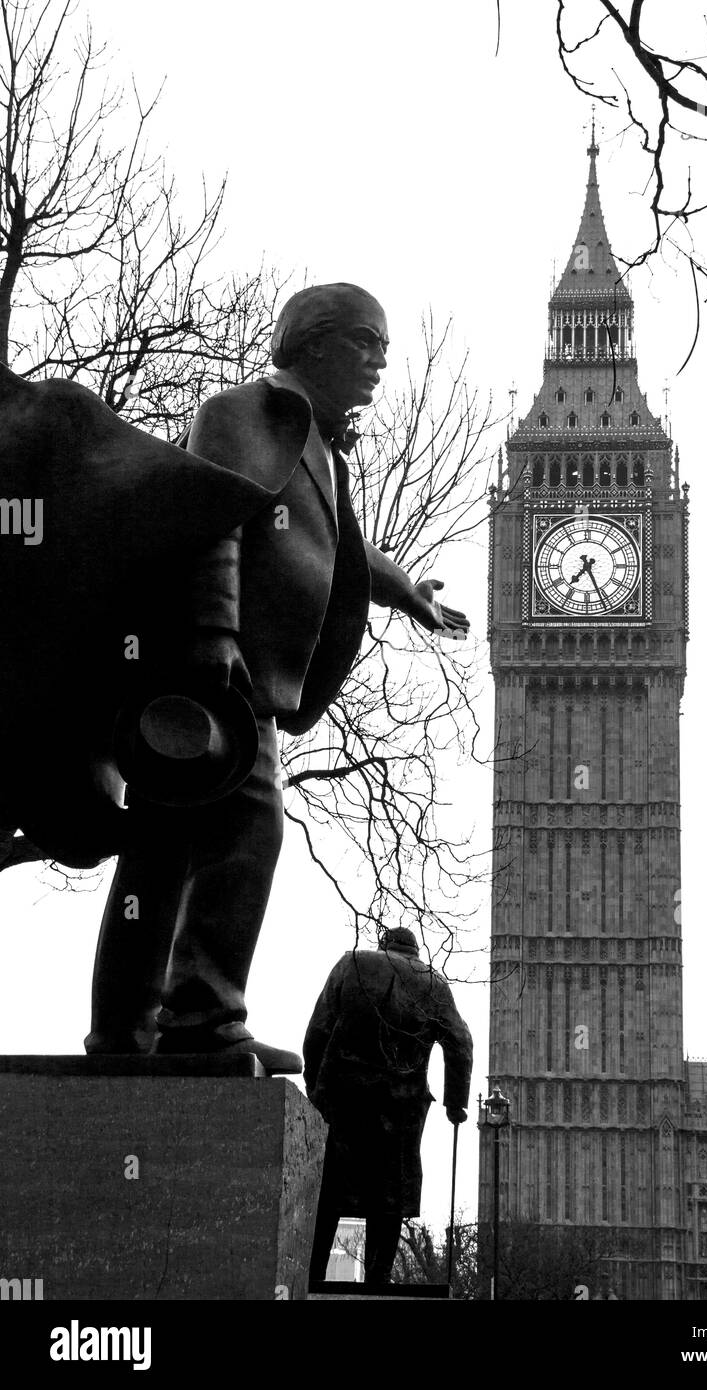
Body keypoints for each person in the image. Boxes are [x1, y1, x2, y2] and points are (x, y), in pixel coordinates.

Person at [84, 284, 469, 1072]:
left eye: (384, 349)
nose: (378, 363)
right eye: (364, 342)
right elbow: (210, 514)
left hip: (238, 677)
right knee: (242, 832)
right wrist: (213, 635)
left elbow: (344, 551)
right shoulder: (245, 413)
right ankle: (198, 1018)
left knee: (164, 850)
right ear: (312, 342)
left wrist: (408, 597)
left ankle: (131, 1032)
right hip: (213, 673)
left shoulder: (314, 444)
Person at [303, 927, 472, 1286]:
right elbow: (460, 1043)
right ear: (416, 952)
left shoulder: (352, 963)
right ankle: (377, 1279)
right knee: (390, 1190)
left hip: (344, 1097)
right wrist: (454, 1104)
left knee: (331, 1186)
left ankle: (313, 1276)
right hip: (402, 1106)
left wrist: (315, 1084)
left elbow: (317, 1030)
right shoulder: (434, 984)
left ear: (384, 945)